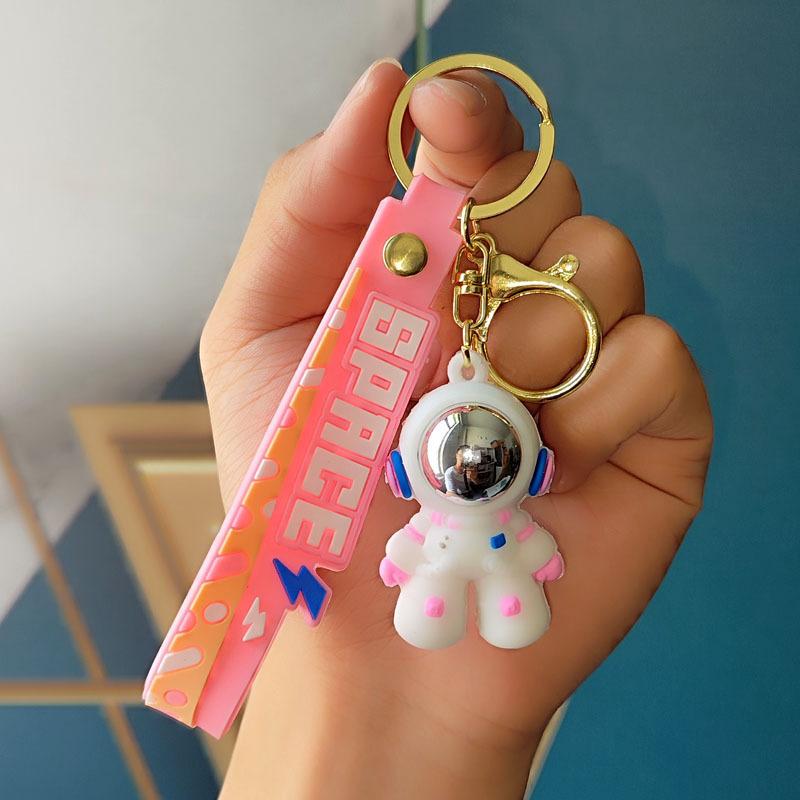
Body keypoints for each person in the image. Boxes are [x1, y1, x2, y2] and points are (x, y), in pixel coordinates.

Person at [201, 58, 712, 799]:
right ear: (405, 471)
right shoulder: (425, 494)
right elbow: (403, 550)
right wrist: (362, 685)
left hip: (492, 556)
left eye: (487, 461)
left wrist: (426, 734)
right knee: (448, 599)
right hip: (441, 562)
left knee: (508, 600)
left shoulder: (486, 475)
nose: (473, 469)